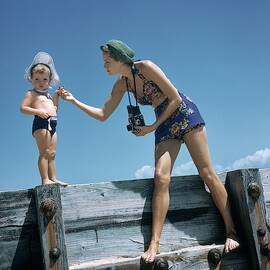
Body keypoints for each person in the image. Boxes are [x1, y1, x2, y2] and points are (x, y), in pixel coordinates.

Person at [59, 40, 239, 262]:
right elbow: (103, 114)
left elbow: (174, 97)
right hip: (163, 122)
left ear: (119, 59)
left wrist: (152, 127)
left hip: (183, 112)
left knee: (207, 172)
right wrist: (74, 101)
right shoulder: (121, 86)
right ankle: (154, 243)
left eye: (107, 62)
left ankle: (232, 231)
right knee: (161, 178)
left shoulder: (146, 67)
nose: (104, 66)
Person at [20, 52, 68, 186]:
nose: (40, 83)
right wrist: (38, 111)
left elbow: (54, 109)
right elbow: (23, 108)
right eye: (37, 79)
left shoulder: (48, 95)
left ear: (49, 79)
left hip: (52, 123)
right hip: (40, 124)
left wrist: (57, 96)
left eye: (44, 80)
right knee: (44, 152)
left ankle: (53, 178)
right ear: (31, 79)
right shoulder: (31, 94)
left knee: (52, 153)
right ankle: (45, 179)